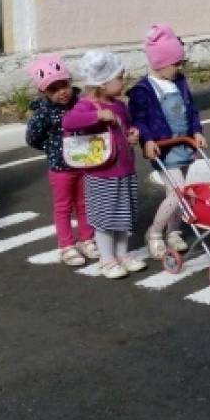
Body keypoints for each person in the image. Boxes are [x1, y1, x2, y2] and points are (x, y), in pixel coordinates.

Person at [61, 51, 146, 279]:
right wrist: (97, 117)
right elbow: (68, 122)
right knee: (105, 218)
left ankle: (122, 254)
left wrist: (131, 136)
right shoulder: (86, 106)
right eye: (119, 77)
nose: (123, 81)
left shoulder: (119, 105)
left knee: (122, 216)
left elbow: (124, 128)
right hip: (102, 174)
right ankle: (107, 259)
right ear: (102, 83)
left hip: (125, 170)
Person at [128, 24, 208, 258]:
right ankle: (154, 233)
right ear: (160, 63)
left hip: (183, 143)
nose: (180, 68)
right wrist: (147, 140)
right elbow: (139, 120)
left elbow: (191, 109)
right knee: (178, 192)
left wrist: (197, 130)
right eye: (176, 63)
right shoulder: (143, 90)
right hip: (163, 149)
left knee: (177, 193)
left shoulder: (179, 82)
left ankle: (173, 231)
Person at [24, 54, 101, 266]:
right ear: (43, 91)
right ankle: (66, 245)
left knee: (85, 203)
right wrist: (50, 149)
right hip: (60, 167)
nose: (62, 92)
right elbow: (32, 138)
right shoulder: (43, 113)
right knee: (63, 206)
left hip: (86, 161)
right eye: (54, 89)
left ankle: (87, 239)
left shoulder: (82, 103)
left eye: (64, 85)